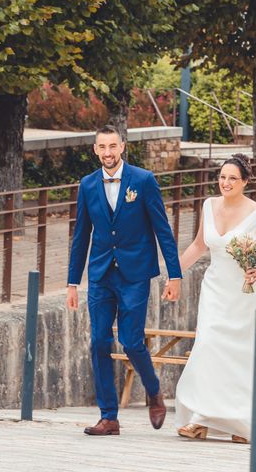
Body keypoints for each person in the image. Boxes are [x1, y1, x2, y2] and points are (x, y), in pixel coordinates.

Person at [173, 153, 256, 447]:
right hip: (215, 291)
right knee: (207, 347)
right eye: (222, 177)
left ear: (245, 182)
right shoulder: (208, 205)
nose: (226, 183)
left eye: (232, 178)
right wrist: (173, 273)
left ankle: (245, 423)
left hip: (246, 294)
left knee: (244, 357)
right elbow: (198, 245)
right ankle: (201, 418)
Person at [66, 125, 182, 436]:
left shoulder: (143, 181)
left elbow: (162, 230)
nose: (107, 152)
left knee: (131, 341)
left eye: (112, 146)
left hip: (135, 274)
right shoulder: (88, 185)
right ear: (95, 149)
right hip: (101, 274)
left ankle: (153, 390)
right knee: (99, 342)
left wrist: (175, 274)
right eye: (102, 147)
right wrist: (72, 282)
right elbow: (81, 236)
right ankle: (109, 417)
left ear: (122, 147)